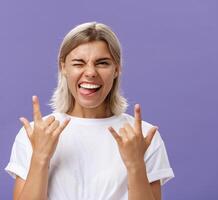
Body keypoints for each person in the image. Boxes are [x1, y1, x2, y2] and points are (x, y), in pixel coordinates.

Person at [4, 22, 174, 200]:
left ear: (117, 69)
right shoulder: (36, 134)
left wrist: (135, 165)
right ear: (63, 67)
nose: (90, 72)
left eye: (102, 63)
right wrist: (39, 157)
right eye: (79, 63)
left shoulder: (141, 136)